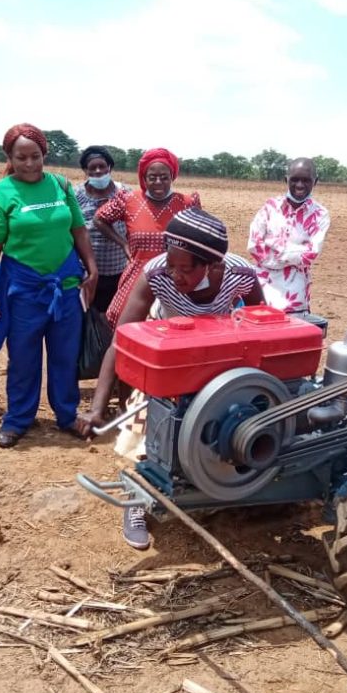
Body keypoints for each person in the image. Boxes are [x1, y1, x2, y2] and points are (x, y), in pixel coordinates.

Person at [77, 209, 264, 549]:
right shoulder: (156, 273)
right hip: (169, 358)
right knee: (150, 429)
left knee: (219, 429)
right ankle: (136, 501)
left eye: (186, 269)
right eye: (171, 265)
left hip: (218, 359)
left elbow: (260, 324)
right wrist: (96, 409)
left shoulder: (239, 273)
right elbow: (122, 340)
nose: (175, 275)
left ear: (211, 264)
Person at [0, 123, 98, 448]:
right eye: (21, 158)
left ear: (45, 154)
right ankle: (18, 419)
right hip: (24, 289)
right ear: (9, 157)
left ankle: (66, 414)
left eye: (35, 156)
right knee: (23, 357)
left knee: (65, 355)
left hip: (65, 285)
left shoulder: (61, 185)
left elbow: (78, 230)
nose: (29, 164)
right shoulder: (0, 193)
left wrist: (92, 267)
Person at [94, 148, 199, 327]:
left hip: (176, 279)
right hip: (138, 276)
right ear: (144, 178)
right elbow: (99, 219)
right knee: (126, 327)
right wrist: (123, 244)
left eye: (164, 177)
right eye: (152, 177)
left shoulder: (187, 203)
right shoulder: (128, 200)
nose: (158, 182)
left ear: (172, 177)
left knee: (175, 329)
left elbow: (198, 238)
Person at [247, 157, 330, 314]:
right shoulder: (270, 207)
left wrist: (272, 245)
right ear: (286, 180)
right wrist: (294, 254)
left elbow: (310, 255)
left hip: (295, 298)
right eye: (295, 179)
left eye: (306, 180)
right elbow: (254, 245)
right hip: (262, 293)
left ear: (315, 181)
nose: (299, 185)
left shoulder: (320, 215)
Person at [75, 146, 127, 313]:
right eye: (92, 168)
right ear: (85, 171)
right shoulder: (76, 195)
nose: (98, 171)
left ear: (109, 167)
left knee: (111, 316)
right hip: (86, 271)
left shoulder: (124, 193)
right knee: (87, 318)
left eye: (102, 166)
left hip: (118, 270)